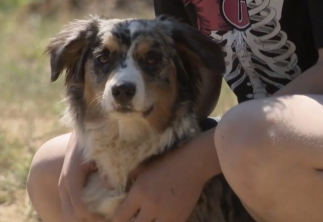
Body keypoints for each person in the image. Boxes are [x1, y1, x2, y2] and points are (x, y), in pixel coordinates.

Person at [26, 0, 323, 221]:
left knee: (244, 132)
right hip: (250, 146)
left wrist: (195, 162)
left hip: (282, 137)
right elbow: (191, 78)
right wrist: (94, 140)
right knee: (49, 169)